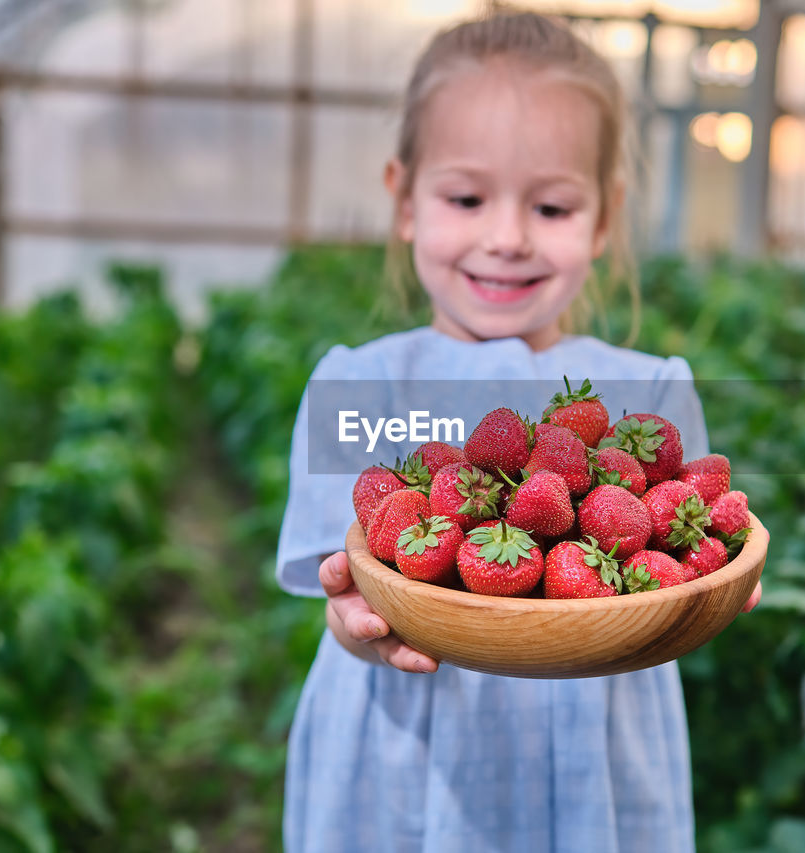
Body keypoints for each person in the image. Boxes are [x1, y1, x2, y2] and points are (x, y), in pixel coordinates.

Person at [275, 10, 762, 852]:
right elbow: (347, 588)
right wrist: (362, 626)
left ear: (604, 218)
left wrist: (703, 588)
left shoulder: (649, 388)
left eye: (551, 205)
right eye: (466, 198)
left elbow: (686, 555)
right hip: (408, 752)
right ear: (403, 199)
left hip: (595, 753)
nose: (506, 237)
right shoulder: (360, 381)